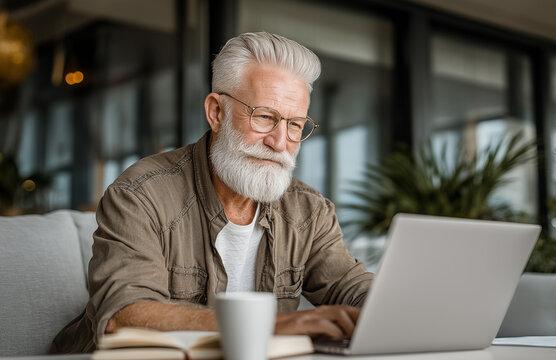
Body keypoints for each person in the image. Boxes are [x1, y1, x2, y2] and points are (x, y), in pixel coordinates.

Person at [50, 32, 373, 354]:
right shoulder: (141, 194)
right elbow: (125, 315)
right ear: (217, 112)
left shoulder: (309, 211)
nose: (279, 142)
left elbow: (351, 287)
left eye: (295, 125)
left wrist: (399, 304)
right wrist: (273, 327)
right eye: (264, 117)